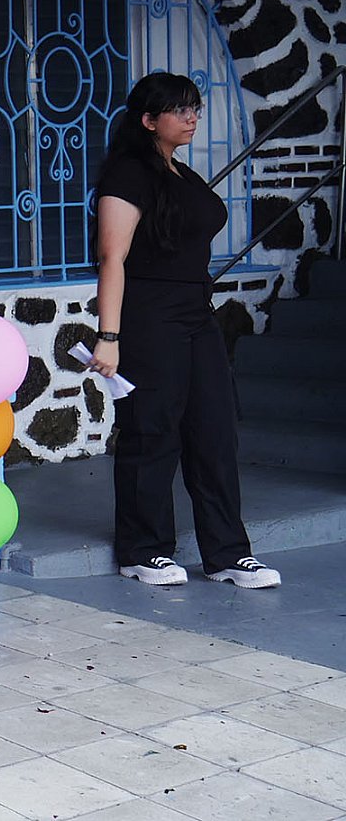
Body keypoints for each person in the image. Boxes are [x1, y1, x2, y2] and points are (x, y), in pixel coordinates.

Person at [90, 72, 280, 590]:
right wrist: (110, 335)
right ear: (149, 120)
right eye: (180, 110)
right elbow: (112, 257)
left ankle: (227, 554)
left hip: (196, 313)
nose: (192, 117)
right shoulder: (128, 174)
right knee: (152, 430)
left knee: (215, 431)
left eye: (194, 108)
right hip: (149, 316)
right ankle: (142, 550)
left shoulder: (180, 173)